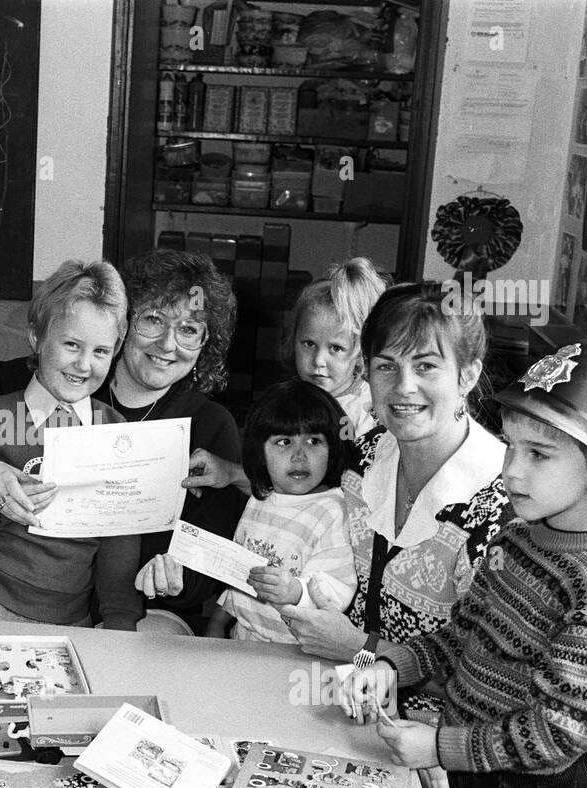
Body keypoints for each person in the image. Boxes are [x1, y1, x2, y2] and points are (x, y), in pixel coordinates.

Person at [342, 341, 587, 788]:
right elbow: (463, 633)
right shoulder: (518, 534)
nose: (512, 471)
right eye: (511, 446)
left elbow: (561, 729)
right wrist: (391, 666)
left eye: (538, 454)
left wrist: (442, 747)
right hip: (474, 767)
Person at [184, 283, 511, 712]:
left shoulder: (501, 506)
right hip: (327, 697)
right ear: (366, 371)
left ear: (467, 374)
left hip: (434, 740)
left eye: (426, 366)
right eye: (386, 366)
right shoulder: (365, 455)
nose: (403, 387)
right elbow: (297, 500)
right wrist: (232, 475)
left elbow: (493, 684)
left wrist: (359, 648)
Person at [0, 249, 243, 633]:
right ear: (128, 326)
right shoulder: (9, 396)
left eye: (188, 330)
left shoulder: (201, 425)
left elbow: (161, 554)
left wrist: (164, 589)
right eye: (153, 320)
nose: (168, 344)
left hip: (127, 608)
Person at [0, 259, 142, 630]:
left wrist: (120, 626)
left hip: (71, 618)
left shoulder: (116, 433)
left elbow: (119, 546)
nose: (83, 364)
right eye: (72, 345)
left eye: (100, 352)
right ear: (37, 337)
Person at [206, 380, 356, 641]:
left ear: (332, 450)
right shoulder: (260, 498)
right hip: (242, 638)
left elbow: (338, 587)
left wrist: (296, 591)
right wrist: (218, 621)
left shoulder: (331, 510)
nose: (300, 455)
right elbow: (239, 572)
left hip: (296, 650)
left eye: (314, 441)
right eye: (284, 441)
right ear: (260, 452)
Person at [285, 257, 387, 438]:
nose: (318, 361)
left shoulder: (367, 414)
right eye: (309, 344)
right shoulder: (286, 401)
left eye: (336, 348)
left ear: (360, 351)